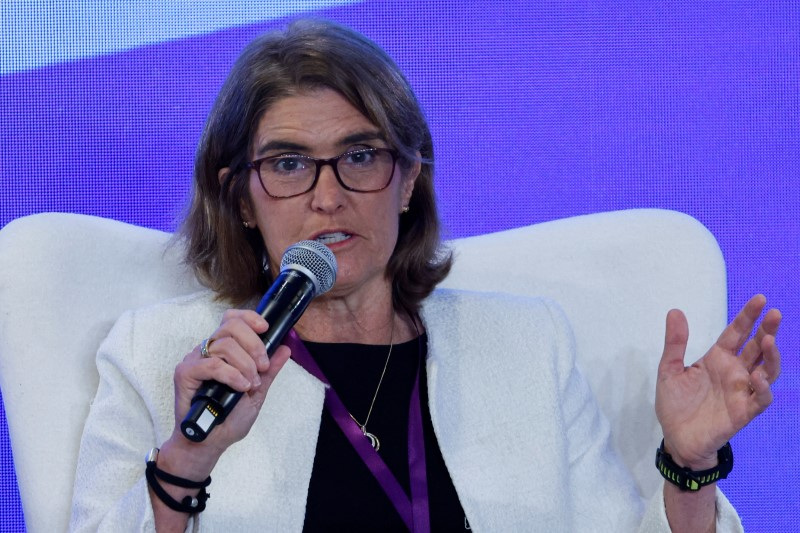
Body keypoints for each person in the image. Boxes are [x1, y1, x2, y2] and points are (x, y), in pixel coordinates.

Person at [69, 18, 782, 532]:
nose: (327, 195)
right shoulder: (160, 357)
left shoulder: (528, 344)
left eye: (360, 155)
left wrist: (689, 464)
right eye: (287, 164)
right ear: (240, 197)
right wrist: (188, 459)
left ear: (408, 180)